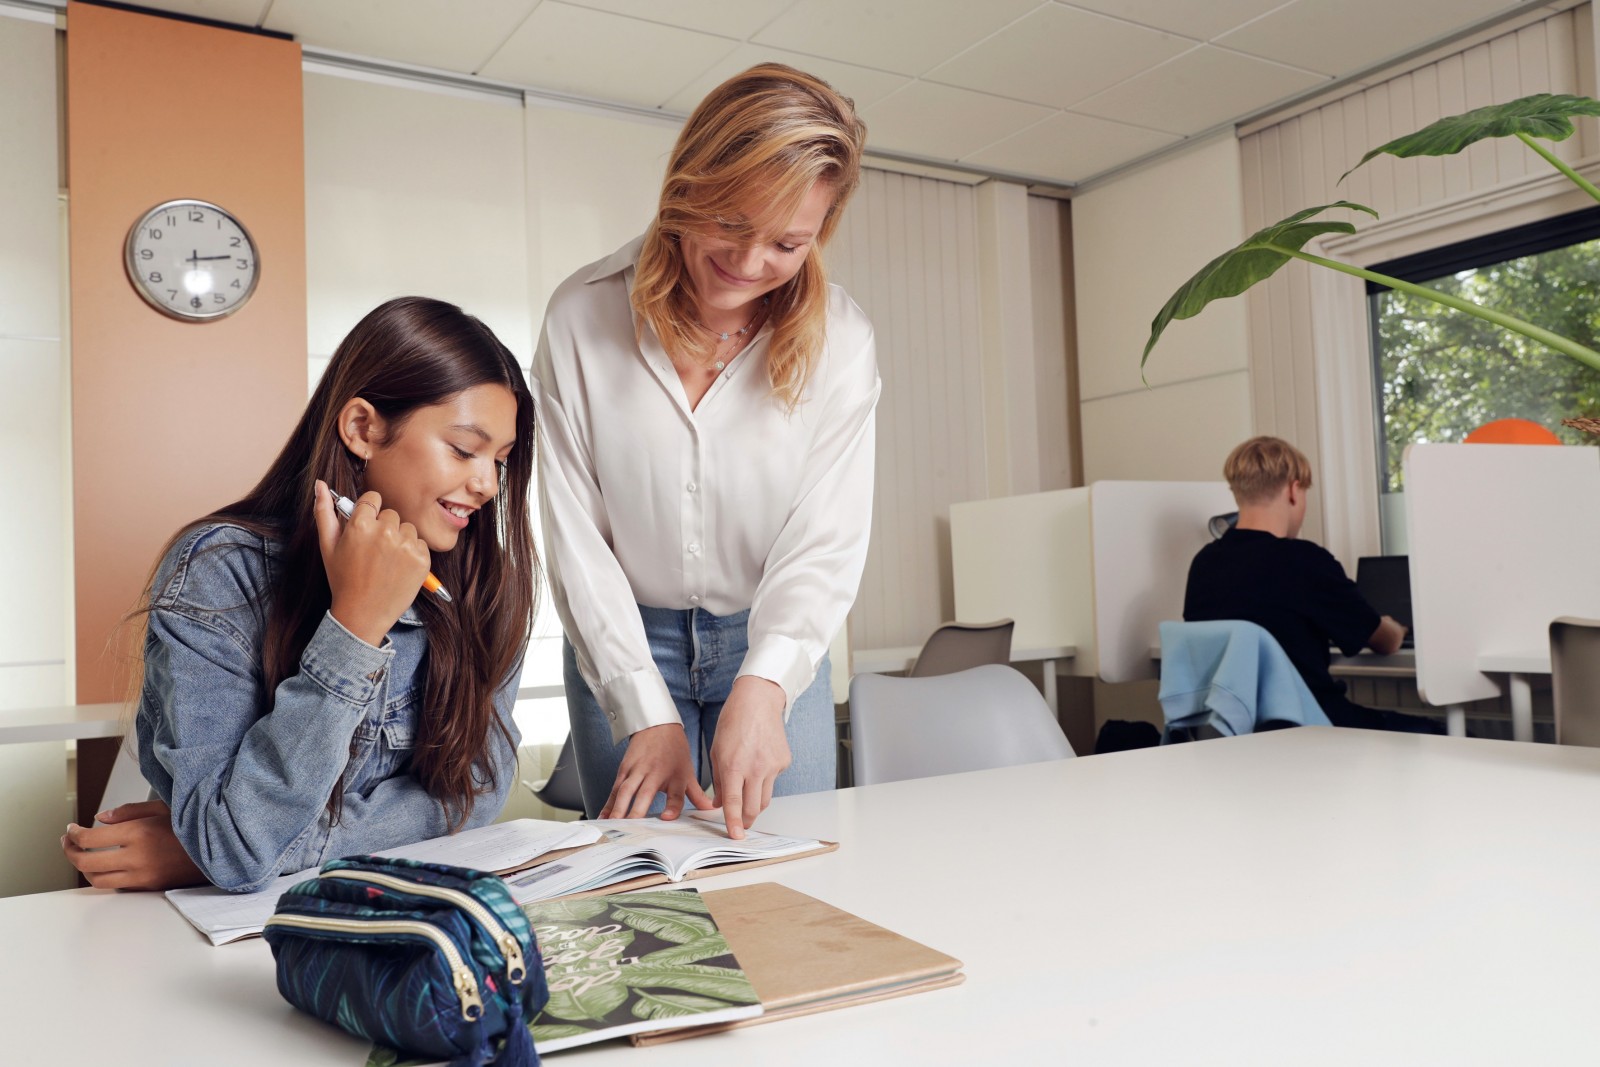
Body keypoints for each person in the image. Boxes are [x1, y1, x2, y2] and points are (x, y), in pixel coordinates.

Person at [61, 296, 535, 891]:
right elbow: (236, 848)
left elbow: (475, 791)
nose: (487, 484)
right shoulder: (222, 573)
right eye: (465, 450)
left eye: (501, 459)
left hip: (399, 905)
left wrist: (219, 852)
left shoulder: (485, 585)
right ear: (362, 428)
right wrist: (355, 627)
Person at [534, 63, 879, 838]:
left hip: (772, 636)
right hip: (624, 638)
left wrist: (767, 682)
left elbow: (824, 538)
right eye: (731, 222)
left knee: (788, 888)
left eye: (788, 242)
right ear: (690, 185)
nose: (751, 262)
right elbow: (574, 535)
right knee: (646, 900)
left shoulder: (843, 344)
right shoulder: (581, 318)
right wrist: (637, 701)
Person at [1183, 435, 1443, 734]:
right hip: (1309, 728)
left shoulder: (1203, 563)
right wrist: (1393, 626)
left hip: (1232, 733)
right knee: (1451, 739)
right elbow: (1385, 642)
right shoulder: (1304, 561)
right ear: (1294, 491)